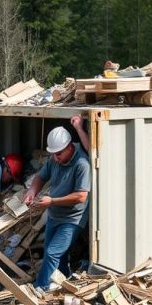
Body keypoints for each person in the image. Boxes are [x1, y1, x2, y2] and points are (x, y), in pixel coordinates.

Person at [24, 124, 91, 290]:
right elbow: (41, 177)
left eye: (59, 154)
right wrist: (32, 191)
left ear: (69, 147)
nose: (56, 158)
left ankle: (41, 287)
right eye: (53, 154)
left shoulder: (82, 164)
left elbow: (81, 196)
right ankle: (63, 281)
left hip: (72, 218)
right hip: (55, 214)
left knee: (53, 251)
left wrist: (51, 201)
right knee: (55, 254)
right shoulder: (55, 158)